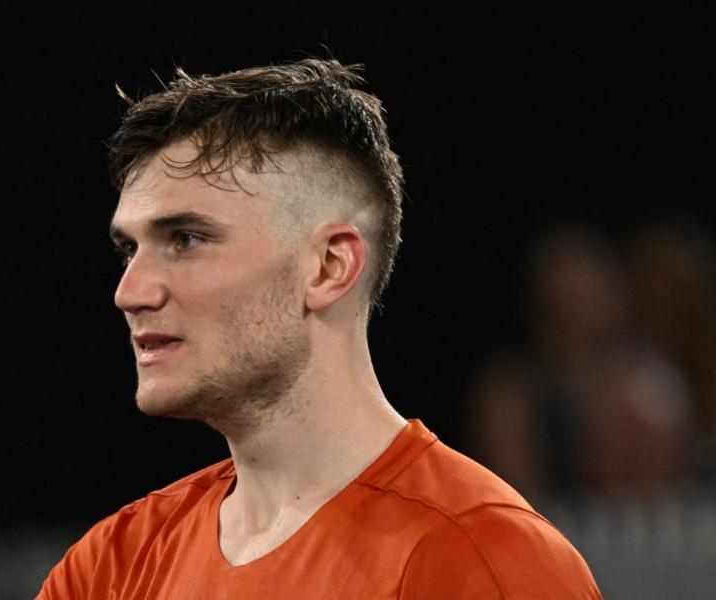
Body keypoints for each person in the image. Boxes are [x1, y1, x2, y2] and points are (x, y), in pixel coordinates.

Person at [37, 58, 602, 599]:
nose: (129, 292)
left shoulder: (481, 561)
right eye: (129, 250)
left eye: (186, 240)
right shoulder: (108, 568)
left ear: (330, 267)